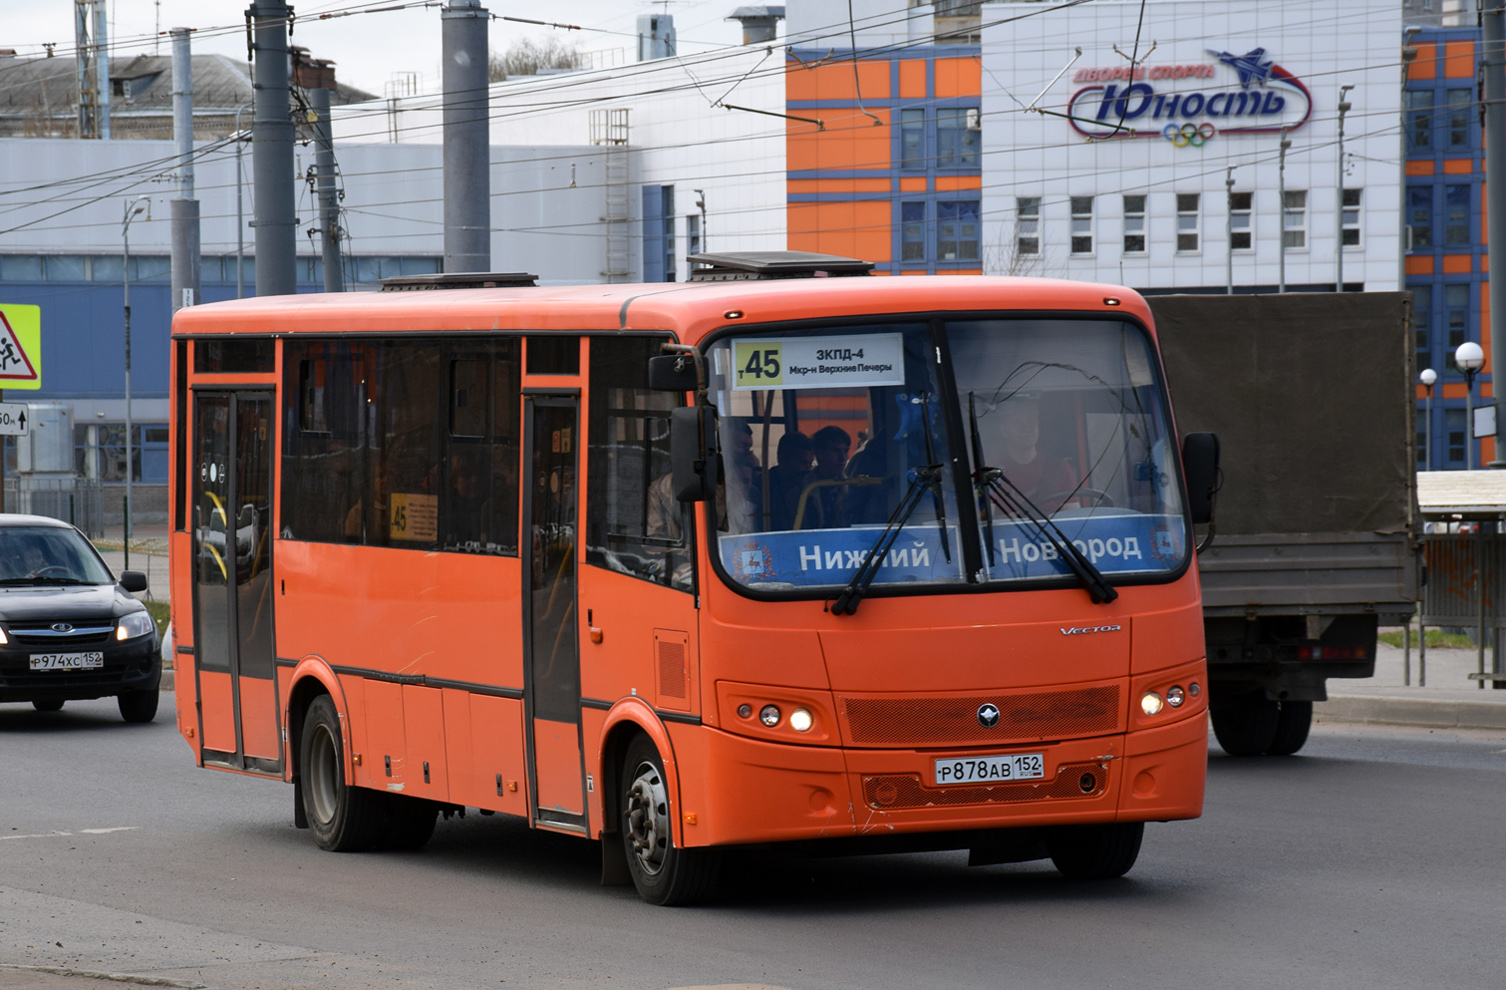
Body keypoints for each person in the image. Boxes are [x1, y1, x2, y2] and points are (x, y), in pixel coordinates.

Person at [996, 396, 1078, 510]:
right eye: (1017, 422)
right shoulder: (991, 472)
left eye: (1031, 420)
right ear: (1003, 430)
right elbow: (984, 521)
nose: (1026, 428)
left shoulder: (1059, 467)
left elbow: (1072, 519)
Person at [767, 431, 816, 531]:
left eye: (810, 463)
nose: (807, 468)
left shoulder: (812, 487)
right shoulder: (764, 487)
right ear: (782, 459)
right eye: (802, 462)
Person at [809, 425, 853, 528]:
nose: (842, 458)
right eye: (836, 451)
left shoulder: (852, 487)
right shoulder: (802, 489)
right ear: (819, 453)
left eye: (845, 451)